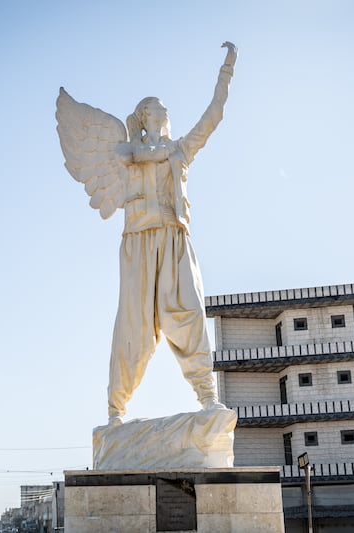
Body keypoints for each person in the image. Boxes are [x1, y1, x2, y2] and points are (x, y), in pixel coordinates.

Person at [56, 42, 238, 426]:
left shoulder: (179, 150)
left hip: (173, 237)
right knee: (134, 328)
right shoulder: (124, 152)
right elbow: (127, 155)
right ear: (145, 114)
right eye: (157, 105)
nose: (164, 109)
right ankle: (115, 410)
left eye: (164, 107)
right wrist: (141, 151)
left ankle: (208, 396)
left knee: (189, 312)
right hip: (139, 241)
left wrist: (226, 72)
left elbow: (213, 117)